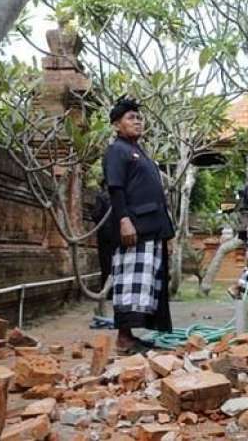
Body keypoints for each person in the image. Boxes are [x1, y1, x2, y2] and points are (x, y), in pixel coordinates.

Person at [103, 95, 174, 354]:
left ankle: (131, 336)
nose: (137, 121)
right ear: (116, 124)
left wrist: (168, 232)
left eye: (139, 117)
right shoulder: (117, 150)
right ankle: (123, 337)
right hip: (134, 227)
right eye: (131, 117)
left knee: (146, 283)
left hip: (152, 228)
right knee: (130, 280)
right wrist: (124, 220)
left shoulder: (140, 153)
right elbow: (116, 189)